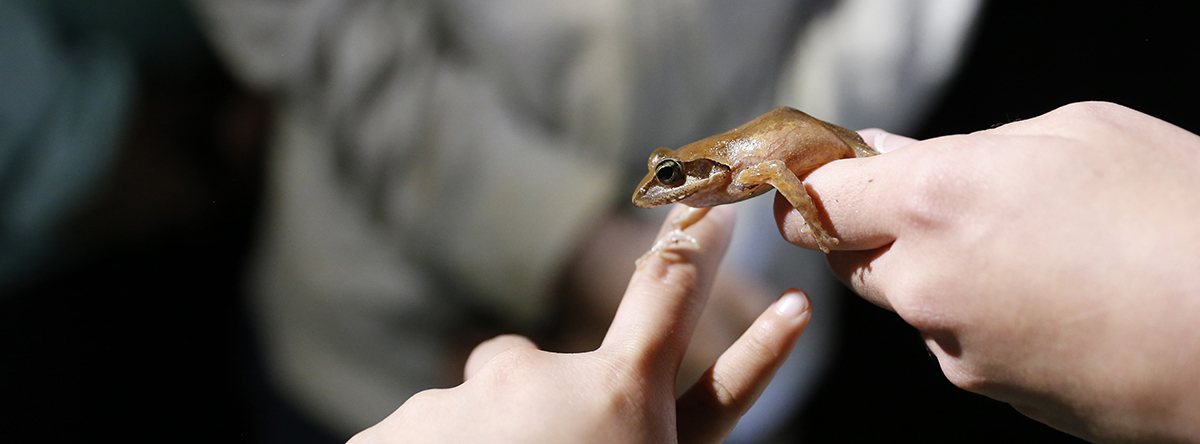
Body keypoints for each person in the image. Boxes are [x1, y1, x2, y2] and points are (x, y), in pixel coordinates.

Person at [351, 101, 1200, 443]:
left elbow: (783, 176)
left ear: (698, 176)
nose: (659, 193)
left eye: (670, 182)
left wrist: (824, 216)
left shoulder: (737, 174)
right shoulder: (712, 181)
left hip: (824, 145)